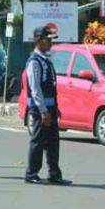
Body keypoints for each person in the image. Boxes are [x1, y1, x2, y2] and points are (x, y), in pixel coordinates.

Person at [24, 26, 71, 185]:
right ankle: (31, 174)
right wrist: (43, 111)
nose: (51, 43)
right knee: (38, 141)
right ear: (39, 40)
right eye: (48, 39)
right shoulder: (34, 62)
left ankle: (54, 174)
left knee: (53, 142)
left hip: (49, 108)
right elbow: (35, 88)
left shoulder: (45, 59)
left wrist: (54, 108)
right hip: (40, 109)